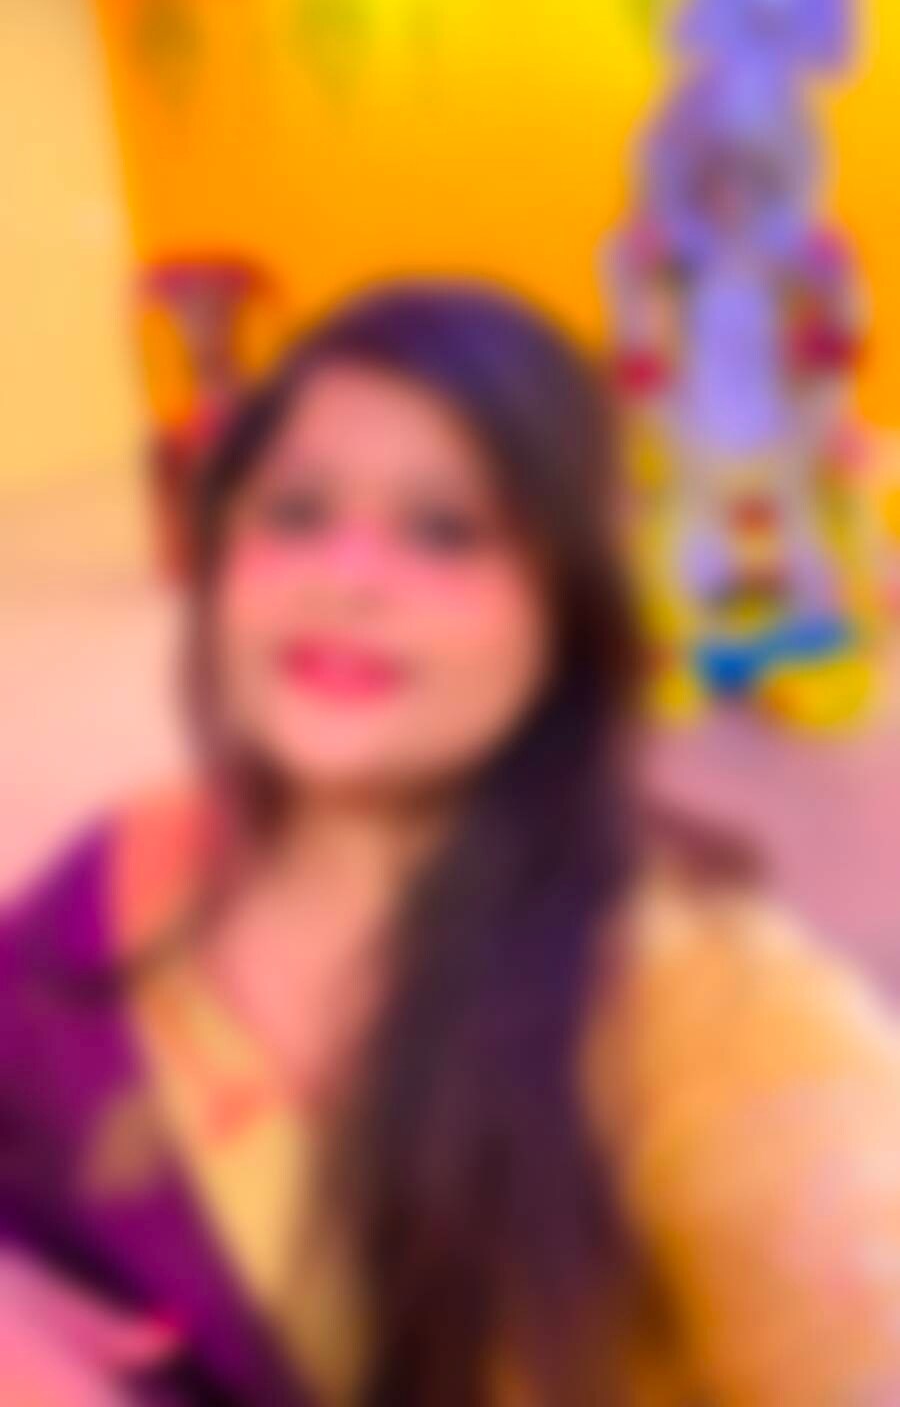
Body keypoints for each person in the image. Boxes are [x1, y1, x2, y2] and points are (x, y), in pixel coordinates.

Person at [1, 280, 899, 1407]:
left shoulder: (731, 1027)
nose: (347, 580)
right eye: (295, 512)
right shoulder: (123, 870)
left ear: (573, 609)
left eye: (447, 529)